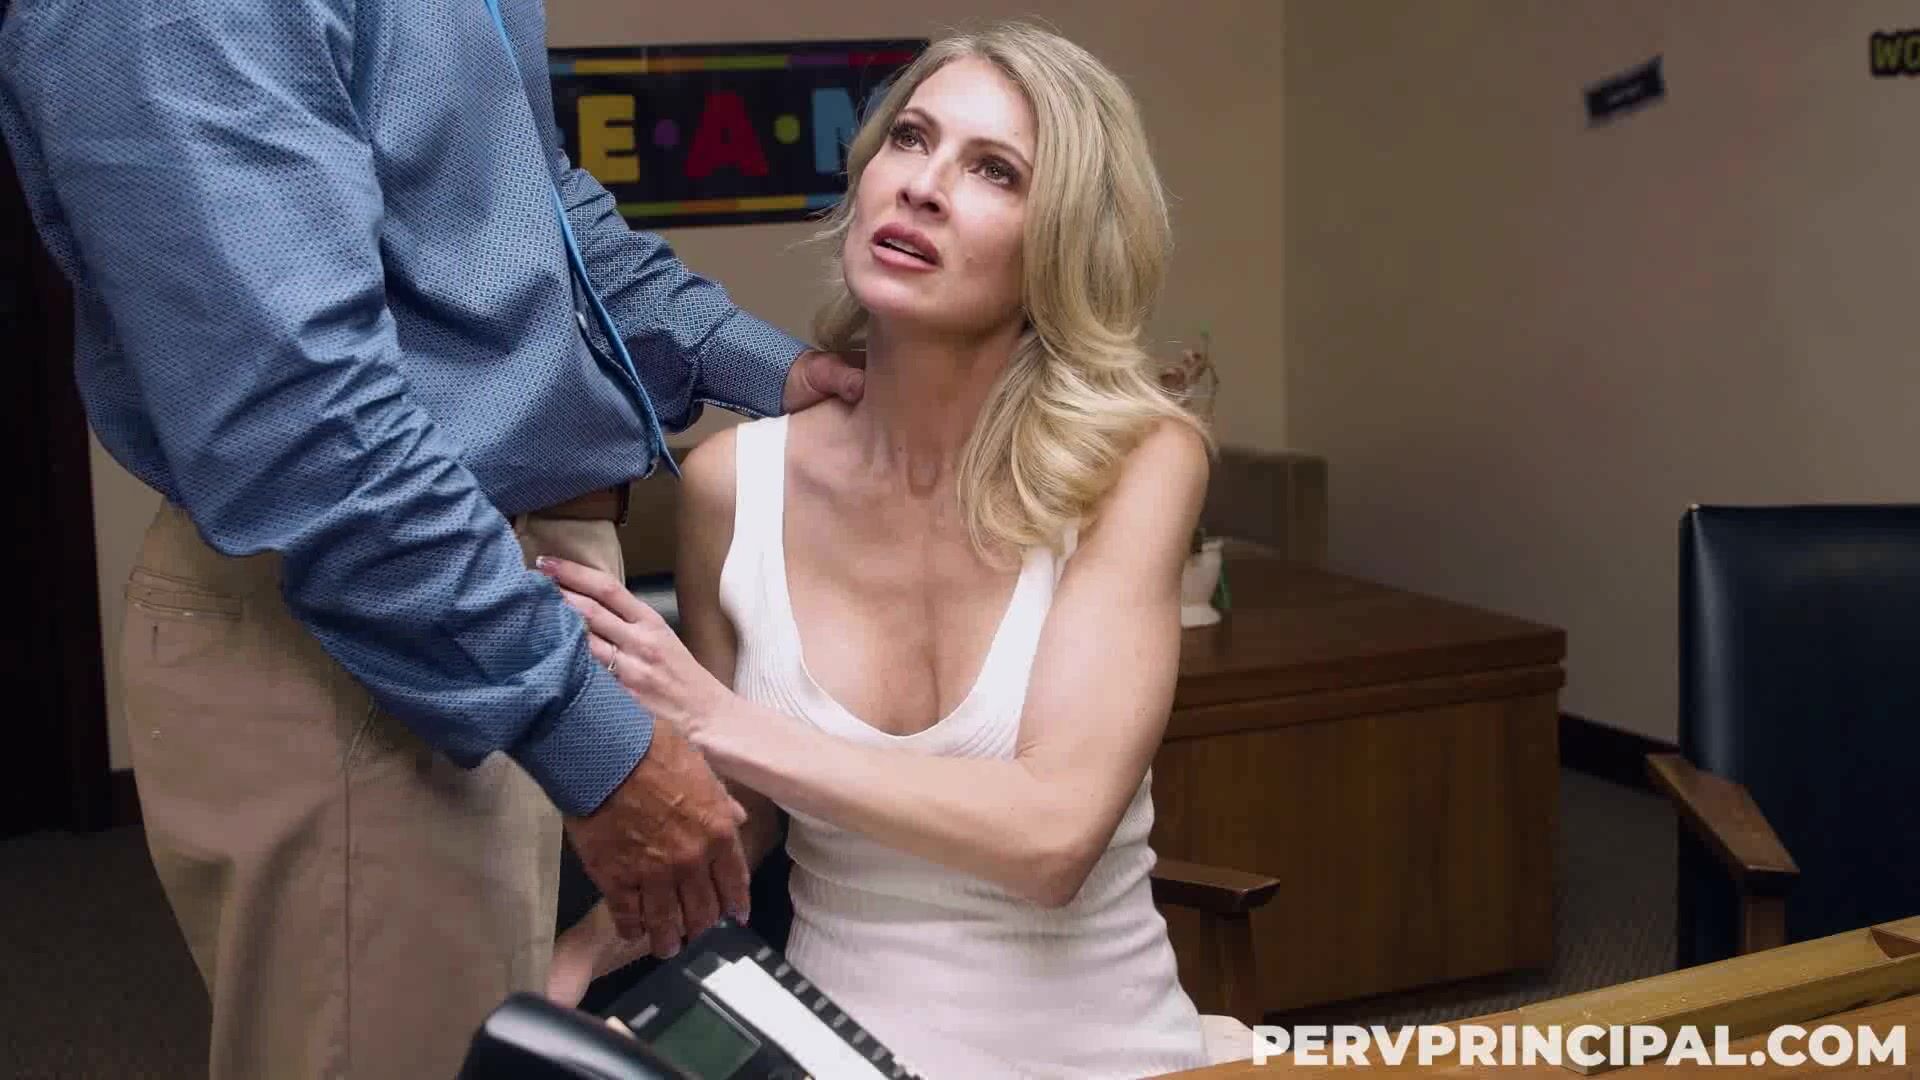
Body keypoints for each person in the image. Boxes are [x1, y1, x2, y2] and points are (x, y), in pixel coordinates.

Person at [0, 1, 863, 1077]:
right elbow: (307, 431)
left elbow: (535, 216)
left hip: (480, 599)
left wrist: (781, 373)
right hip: (366, 627)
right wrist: (590, 737)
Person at [540, 22, 1222, 1078]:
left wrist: (720, 721)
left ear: (1062, 242)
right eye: (910, 139)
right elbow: (740, 820)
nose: (924, 186)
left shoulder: (1137, 463)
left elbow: (1054, 836)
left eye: (995, 170)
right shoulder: (735, 484)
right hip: (833, 1054)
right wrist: (579, 959)